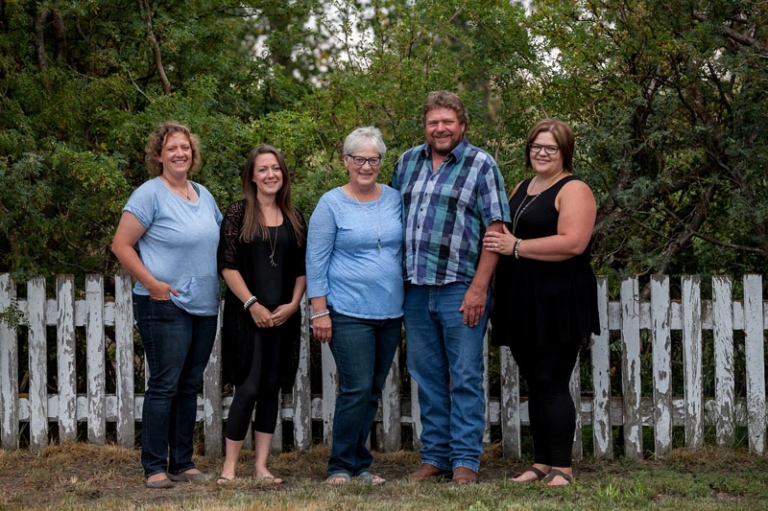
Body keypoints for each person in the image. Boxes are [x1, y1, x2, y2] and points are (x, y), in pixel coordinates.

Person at [391, 91, 510, 484]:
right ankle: (436, 457)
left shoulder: (482, 165)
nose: (440, 129)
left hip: (461, 288)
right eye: (432, 122)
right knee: (427, 378)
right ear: (425, 126)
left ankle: (465, 461)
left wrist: (479, 288)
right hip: (415, 287)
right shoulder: (407, 162)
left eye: (447, 122)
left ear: (462, 125)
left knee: (464, 376)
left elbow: (496, 232)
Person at [483, 118, 600, 487]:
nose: (542, 153)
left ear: (565, 152)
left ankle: (563, 467)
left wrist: (516, 246)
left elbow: (573, 243)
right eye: (536, 146)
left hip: (559, 297)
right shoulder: (523, 186)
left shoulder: (574, 189)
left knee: (552, 379)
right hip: (522, 297)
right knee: (535, 381)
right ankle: (541, 463)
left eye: (550, 147)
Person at [111, 121, 222, 489]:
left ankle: (183, 462)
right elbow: (121, 245)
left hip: (204, 305)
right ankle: (155, 466)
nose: (180, 153)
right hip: (164, 304)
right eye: (172, 148)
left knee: (189, 386)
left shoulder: (204, 195)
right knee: (164, 386)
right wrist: (152, 284)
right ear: (158, 155)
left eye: (185, 148)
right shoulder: (149, 195)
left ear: (193, 154)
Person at [306, 127, 404, 485]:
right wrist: (320, 311)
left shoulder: (394, 199)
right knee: (356, 387)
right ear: (346, 161)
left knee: (372, 390)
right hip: (347, 312)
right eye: (359, 159)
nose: (366, 166)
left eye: (373, 159)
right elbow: (315, 261)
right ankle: (340, 466)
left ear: (381, 162)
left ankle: (361, 464)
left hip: (391, 312)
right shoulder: (331, 204)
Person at [217, 145, 307, 484]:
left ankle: (261, 467)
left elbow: (301, 269)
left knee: (271, 387)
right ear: (252, 176)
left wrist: (294, 303)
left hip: (283, 315)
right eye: (263, 169)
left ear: (283, 174)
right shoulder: (238, 213)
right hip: (247, 314)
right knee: (249, 387)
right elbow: (227, 265)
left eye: (276, 169)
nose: (271, 175)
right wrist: (252, 304)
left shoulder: (295, 216)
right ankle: (229, 469)